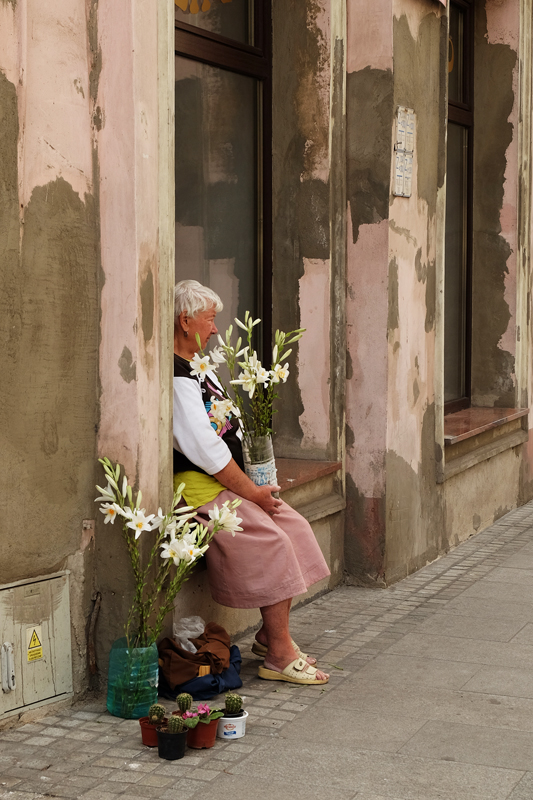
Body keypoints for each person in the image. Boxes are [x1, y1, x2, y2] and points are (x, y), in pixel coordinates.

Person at [173, 279, 331, 685]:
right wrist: (252, 492)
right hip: (200, 487)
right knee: (272, 541)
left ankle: (268, 635)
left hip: (231, 481)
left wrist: (257, 481)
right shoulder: (176, 375)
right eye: (209, 320)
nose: (214, 330)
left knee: (292, 526)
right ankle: (279, 654)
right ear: (184, 320)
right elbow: (204, 448)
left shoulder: (197, 365)